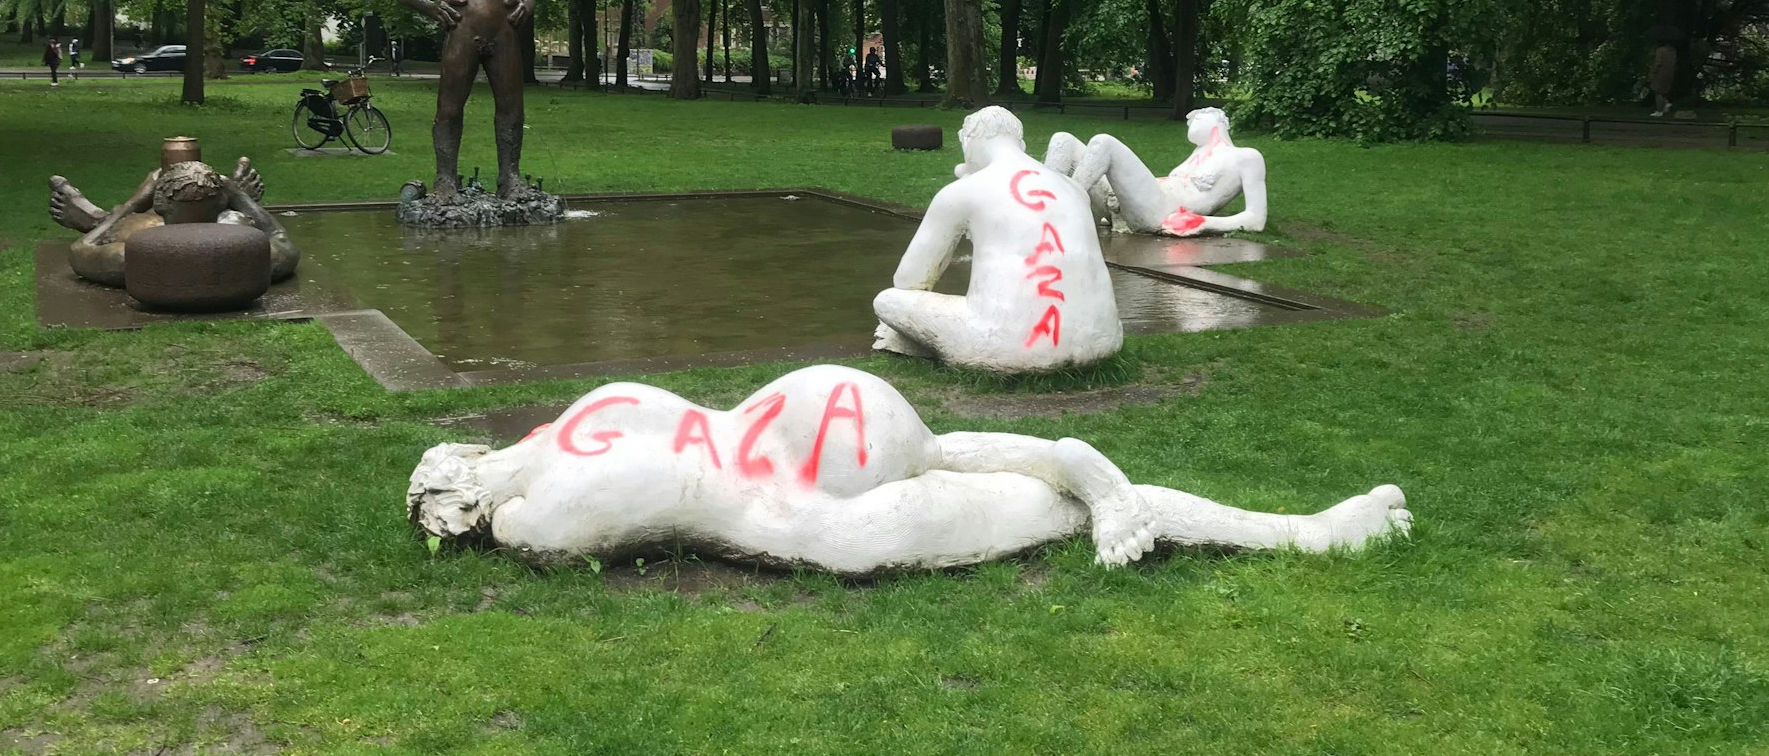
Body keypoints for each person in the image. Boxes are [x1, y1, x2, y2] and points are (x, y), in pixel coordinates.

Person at [407, 365, 1412, 575]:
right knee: (1045, 497)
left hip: (832, 465)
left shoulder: (569, 453)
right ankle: (1299, 532)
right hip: (831, 487)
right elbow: (539, 523)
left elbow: (528, 525)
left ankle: (1292, 531)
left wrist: (488, 515)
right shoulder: (586, 438)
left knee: (1041, 489)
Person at [872, 106, 1123, 371]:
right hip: (1102, 340)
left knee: (888, 300)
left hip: (1009, 348)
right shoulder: (1072, 188)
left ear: (967, 144)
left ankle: (928, 347)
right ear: (1022, 144)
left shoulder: (962, 191)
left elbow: (908, 280)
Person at [396, 0, 536, 200]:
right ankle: (445, 180)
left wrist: (524, 6)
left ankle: (510, 178)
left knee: (512, 106)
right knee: (449, 106)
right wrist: (432, 8)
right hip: (462, 30)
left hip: (503, 34)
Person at [49, 159, 300, 287]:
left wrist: (134, 202)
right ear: (221, 204)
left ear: (157, 204)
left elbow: (80, 250)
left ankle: (97, 219)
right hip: (223, 239)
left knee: (139, 224)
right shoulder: (251, 251)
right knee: (236, 220)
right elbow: (279, 237)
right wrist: (238, 196)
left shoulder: (131, 256)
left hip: (156, 236)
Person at [1044, 107, 1268, 236]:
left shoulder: (1246, 157)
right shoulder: (1198, 154)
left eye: (1197, 117)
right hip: (1133, 203)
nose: (1189, 122)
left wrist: (1201, 222)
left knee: (1104, 143)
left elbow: (1256, 219)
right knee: (1062, 140)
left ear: (1217, 119)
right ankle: (1040, 206)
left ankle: (1059, 209)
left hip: (1159, 211)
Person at [1649, 41, 1678, 117]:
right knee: (1664, 90)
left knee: (1657, 91)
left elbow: (1658, 63)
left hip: (1660, 73)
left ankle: (1659, 110)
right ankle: (1666, 103)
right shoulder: (1673, 51)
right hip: (1670, 73)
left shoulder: (1660, 50)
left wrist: (1652, 72)